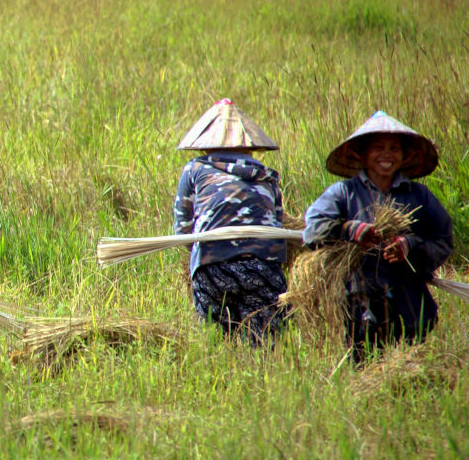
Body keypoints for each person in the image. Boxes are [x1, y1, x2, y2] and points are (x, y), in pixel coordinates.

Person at [303, 111, 452, 364]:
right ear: (361, 154)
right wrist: (351, 229)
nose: (387, 154)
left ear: (405, 156)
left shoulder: (419, 196)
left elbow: (442, 240)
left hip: (410, 303)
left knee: (412, 368)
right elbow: (312, 231)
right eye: (378, 148)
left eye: (394, 148)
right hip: (360, 301)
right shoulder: (343, 193)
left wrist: (409, 245)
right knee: (363, 364)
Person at [173, 98, 287, 345]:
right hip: (263, 269)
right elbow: (277, 225)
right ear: (249, 147)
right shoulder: (268, 178)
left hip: (214, 269)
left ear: (205, 145)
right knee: (263, 347)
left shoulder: (194, 170)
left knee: (216, 345)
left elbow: (183, 230)